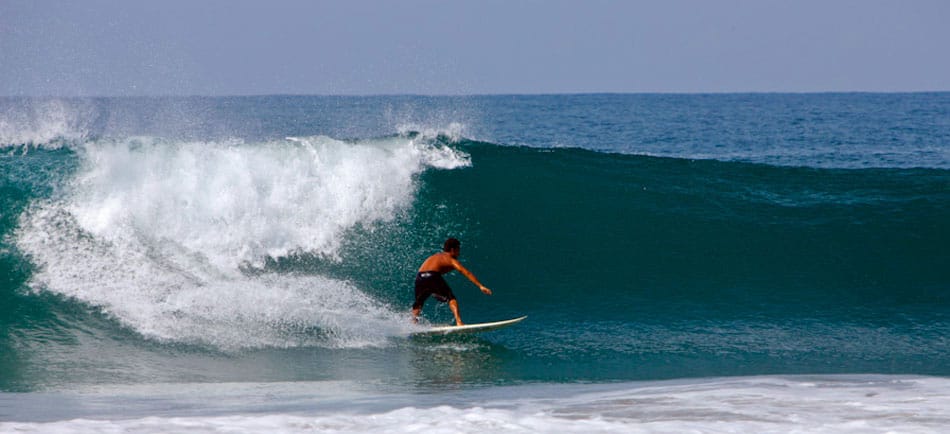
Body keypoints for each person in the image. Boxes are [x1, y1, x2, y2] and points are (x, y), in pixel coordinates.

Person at [411, 238, 492, 326]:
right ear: (452, 250)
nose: (459, 252)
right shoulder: (450, 259)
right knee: (451, 298)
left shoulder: (435, 256)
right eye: (458, 249)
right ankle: (459, 322)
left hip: (419, 277)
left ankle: (413, 323)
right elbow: (465, 272)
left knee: (419, 302)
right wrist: (480, 286)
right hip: (432, 275)